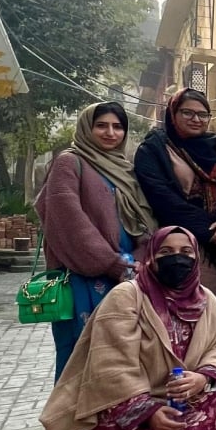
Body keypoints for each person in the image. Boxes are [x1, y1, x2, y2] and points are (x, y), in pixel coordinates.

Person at [40, 226, 216, 430]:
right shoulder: (127, 295)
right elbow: (111, 365)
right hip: (124, 401)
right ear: (151, 256)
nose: (177, 258)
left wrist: (201, 378)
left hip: (185, 397)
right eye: (166, 252)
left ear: (196, 257)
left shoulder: (205, 298)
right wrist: (147, 411)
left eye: (186, 252)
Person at [36, 102, 156, 379]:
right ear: (87, 128)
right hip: (83, 276)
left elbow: (143, 220)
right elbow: (68, 222)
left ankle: (119, 419)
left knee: (124, 356)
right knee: (82, 356)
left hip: (128, 276)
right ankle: (76, 421)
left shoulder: (125, 169)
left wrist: (137, 259)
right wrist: (111, 263)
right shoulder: (69, 162)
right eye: (101, 125)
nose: (110, 133)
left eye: (118, 127)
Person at [134, 88, 216, 295]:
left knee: (214, 307)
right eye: (187, 113)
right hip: (176, 244)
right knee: (180, 305)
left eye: (202, 114)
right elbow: (160, 196)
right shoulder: (154, 149)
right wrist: (209, 229)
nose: (196, 119)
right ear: (173, 114)